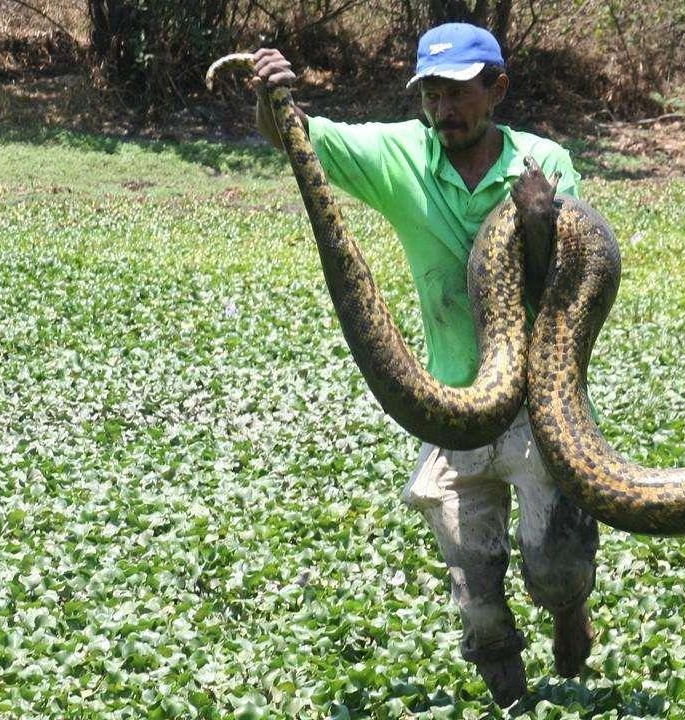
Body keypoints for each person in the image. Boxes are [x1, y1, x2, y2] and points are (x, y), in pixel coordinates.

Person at [251, 23, 599, 708]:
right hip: (455, 403)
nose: (444, 111)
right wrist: (272, 98)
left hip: (539, 401)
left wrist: (537, 221)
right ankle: (507, 687)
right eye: (433, 96)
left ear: (496, 90)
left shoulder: (542, 161)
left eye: (459, 95)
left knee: (555, 564)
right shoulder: (401, 154)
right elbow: (298, 136)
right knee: (475, 587)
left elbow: (575, 269)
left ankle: (568, 611)